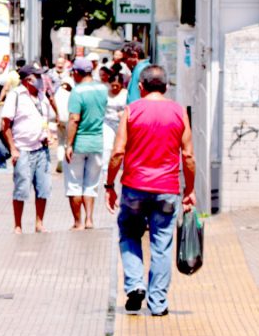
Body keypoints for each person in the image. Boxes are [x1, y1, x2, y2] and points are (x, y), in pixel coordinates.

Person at [105, 66, 196, 317]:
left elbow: (118, 152)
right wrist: (190, 190)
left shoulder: (131, 111)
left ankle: (135, 285)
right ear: (166, 87)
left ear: (141, 87)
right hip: (167, 189)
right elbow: (188, 156)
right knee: (162, 243)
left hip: (134, 187)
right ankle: (158, 304)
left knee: (129, 234)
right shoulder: (179, 112)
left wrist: (109, 184)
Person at [2, 64, 53, 234]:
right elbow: (6, 125)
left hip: (41, 148)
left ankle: (39, 223)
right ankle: (18, 225)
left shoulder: (41, 96)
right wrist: (13, 149)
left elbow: (44, 118)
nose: (40, 79)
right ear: (28, 79)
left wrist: (48, 133)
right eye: (37, 76)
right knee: (21, 188)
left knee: (43, 187)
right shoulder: (15, 96)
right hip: (23, 149)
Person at [64, 56, 108, 230]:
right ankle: (90, 219)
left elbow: (74, 119)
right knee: (91, 183)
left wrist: (69, 144)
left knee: (74, 184)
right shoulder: (102, 89)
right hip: (97, 142)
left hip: (79, 143)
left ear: (76, 72)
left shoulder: (78, 91)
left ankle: (78, 222)